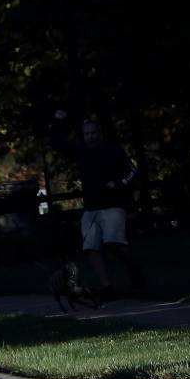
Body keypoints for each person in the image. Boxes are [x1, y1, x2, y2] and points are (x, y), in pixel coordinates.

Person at [51, 109, 145, 294]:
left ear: (99, 133)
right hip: (91, 208)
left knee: (113, 244)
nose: (90, 137)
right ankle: (106, 286)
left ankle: (132, 266)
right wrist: (58, 121)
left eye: (93, 133)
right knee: (91, 248)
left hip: (113, 206)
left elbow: (132, 171)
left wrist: (118, 183)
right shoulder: (81, 152)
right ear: (83, 135)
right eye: (87, 134)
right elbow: (56, 143)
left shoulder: (112, 149)